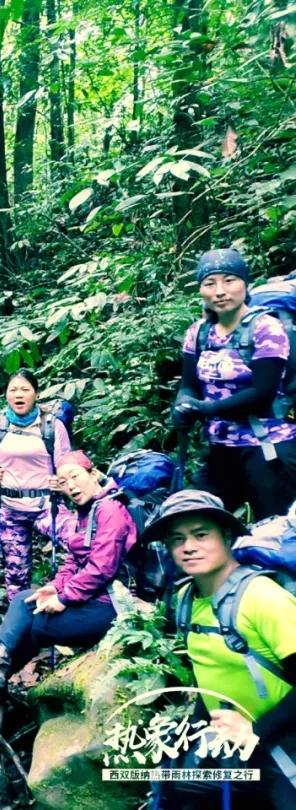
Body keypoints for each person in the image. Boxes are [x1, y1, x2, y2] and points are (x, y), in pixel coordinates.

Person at [140, 490, 296, 809]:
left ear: (227, 536)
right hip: (242, 747)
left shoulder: (262, 597)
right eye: (177, 539)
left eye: (200, 535)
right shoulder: (186, 603)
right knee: (175, 787)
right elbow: (211, 680)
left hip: (285, 743)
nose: (189, 547)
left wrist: (255, 730)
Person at [0, 450, 135, 691]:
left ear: (93, 474)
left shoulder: (109, 510)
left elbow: (101, 568)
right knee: (23, 599)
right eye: (63, 482)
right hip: (92, 598)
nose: (71, 486)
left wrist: (64, 597)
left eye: (75, 477)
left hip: (111, 603)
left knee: (38, 625)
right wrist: (54, 587)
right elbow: (74, 559)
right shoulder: (89, 510)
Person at [173, 248, 296, 519]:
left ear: (245, 283)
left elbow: (261, 394)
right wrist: (182, 404)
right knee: (193, 518)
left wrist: (205, 409)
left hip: (268, 447)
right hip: (221, 448)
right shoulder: (199, 332)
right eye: (209, 283)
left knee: (275, 532)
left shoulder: (266, 328)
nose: (220, 291)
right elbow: (189, 384)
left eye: (229, 280)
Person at [0, 370, 71, 600]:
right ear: (6, 395)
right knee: (16, 573)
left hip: (47, 506)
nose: (19, 395)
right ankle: (17, 618)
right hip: (10, 508)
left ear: (35, 394)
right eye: (13, 390)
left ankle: (70, 598)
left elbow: (67, 465)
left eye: (25, 389)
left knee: (76, 542)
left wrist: (61, 481)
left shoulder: (52, 426)